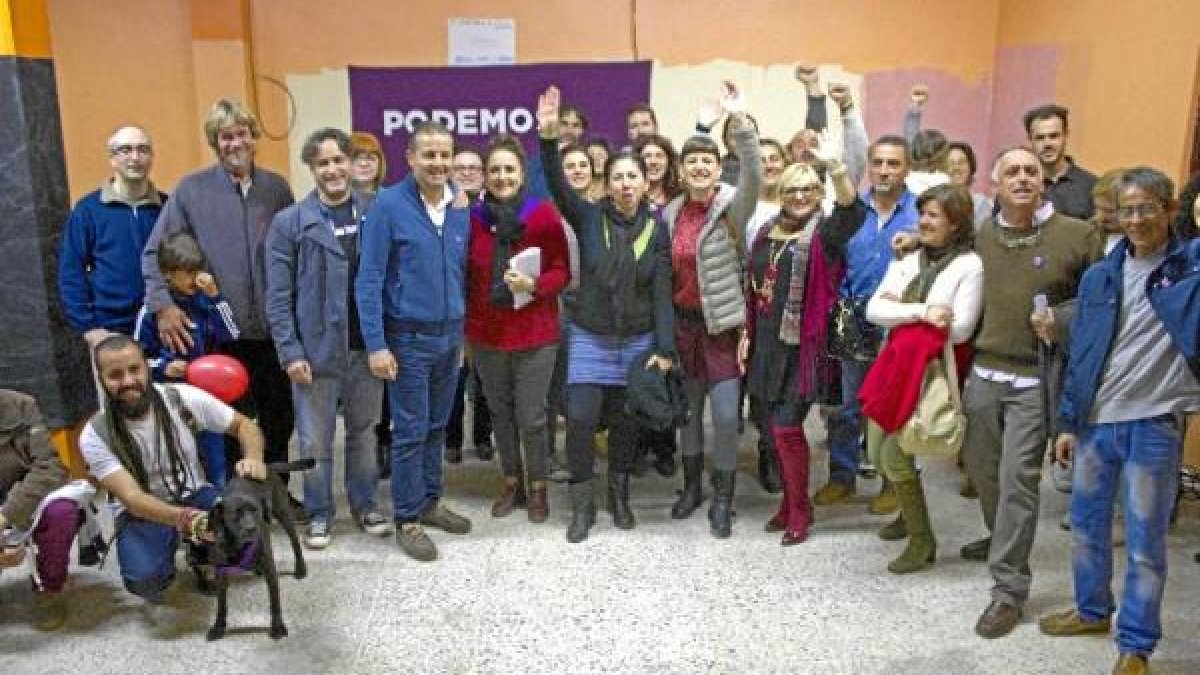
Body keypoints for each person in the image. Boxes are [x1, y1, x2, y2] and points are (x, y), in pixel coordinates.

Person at [1038, 167, 1200, 675]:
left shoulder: (1189, 269)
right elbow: (1082, 355)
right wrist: (1067, 422)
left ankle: (1135, 645)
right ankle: (1091, 611)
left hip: (1153, 424)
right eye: (1126, 209)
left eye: (1147, 208)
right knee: (1086, 527)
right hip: (1094, 424)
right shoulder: (1101, 275)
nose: (1135, 219)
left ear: (1170, 211)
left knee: (1145, 543)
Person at [961, 147, 1104, 639]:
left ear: (1043, 182)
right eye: (1012, 172)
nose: (1022, 178)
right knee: (981, 471)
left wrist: (1060, 321)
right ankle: (1001, 534)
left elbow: (1100, 298)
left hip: (1034, 380)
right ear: (996, 185)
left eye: (1031, 172)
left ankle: (1007, 590)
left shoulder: (1077, 235)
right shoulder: (979, 237)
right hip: (983, 373)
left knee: (1018, 479)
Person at [140, 98, 298, 513]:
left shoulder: (277, 188)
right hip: (219, 335)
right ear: (216, 142)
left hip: (272, 330)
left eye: (241, 134)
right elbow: (153, 252)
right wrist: (162, 306)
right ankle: (238, 501)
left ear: (253, 138)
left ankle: (277, 493)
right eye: (226, 136)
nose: (235, 143)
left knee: (280, 417)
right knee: (229, 422)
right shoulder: (191, 191)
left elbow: (294, 250)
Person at [539, 85, 675, 543]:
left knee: (624, 422)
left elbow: (661, 292)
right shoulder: (587, 215)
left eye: (632, 177)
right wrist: (546, 139)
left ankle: (619, 497)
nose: (624, 185)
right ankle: (582, 505)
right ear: (608, 180)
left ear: (643, 182)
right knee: (579, 418)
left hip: (636, 341)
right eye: (617, 177)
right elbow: (558, 183)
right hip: (589, 337)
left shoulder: (657, 230)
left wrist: (664, 347)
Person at [265, 128, 390, 550]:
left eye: (340, 160)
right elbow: (278, 296)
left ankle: (366, 504)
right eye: (324, 163)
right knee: (315, 440)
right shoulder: (290, 224)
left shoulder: (376, 211)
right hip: (314, 354)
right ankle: (319, 513)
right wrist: (290, 351)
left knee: (364, 431)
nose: (334, 169)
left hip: (366, 347)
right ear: (312, 168)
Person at [356, 121, 473, 562]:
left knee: (438, 426)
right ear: (410, 158)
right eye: (429, 155)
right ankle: (407, 516)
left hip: (449, 336)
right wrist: (376, 344)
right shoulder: (387, 205)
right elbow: (367, 280)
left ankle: (429, 500)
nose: (439, 163)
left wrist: (460, 335)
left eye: (445, 155)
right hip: (407, 338)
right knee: (409, 430)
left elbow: (461, 273)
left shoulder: (459, 206)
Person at [80, 335, 268, 603]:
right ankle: (174, 542)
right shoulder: (95, 435)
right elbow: (133, 500)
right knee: (146, 582)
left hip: (193, 492)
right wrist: (187, 520)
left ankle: (201, 554)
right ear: (101, 379)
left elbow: (244, 426)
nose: (128, 381)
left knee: (247, 534)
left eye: (135, 369)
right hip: (142, 511)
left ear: (147, 367)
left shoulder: (182, 398)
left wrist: (254, 457)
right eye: (115, 375)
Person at [859, 184, 983, 573]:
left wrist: (903, 309)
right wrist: (925, 311)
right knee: (878, 451)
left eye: (933, 215)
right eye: (923, 213)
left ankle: (922, 540)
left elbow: (960, 328)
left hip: (929, 372)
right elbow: (874, 309)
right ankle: (906, 513)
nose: (923, 222)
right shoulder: (910, 257)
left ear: (956, 224)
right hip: (894, 363)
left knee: (896, 455)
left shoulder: (970, 265)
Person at [742, 159, 859, 545]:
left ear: (819, 193)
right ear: (781, 193)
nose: (800, 196)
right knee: (771, 429)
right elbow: (755, 286)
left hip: (804, 350)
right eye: (792, 188)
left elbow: (851, 213)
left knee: (787, 428)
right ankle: (791, 502)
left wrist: (838, 170)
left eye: (808, 188)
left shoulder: (824, 233)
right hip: (765, 345)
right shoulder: (765, 231)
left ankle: (799, 511)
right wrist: (746, 332)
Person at [662, 81, 761, 538]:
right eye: (693, 161)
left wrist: (739, 125)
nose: (700, 167)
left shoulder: (732, 209)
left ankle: (723, 499)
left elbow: (754, 178)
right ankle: (691, 488)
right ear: (681, 171)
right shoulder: (669, 213)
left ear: (719, 168)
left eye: (708, 160)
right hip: (682, 329)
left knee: (724, 416)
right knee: (688, 414)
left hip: (721, 329)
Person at [466, 134, 570, 522]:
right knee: (500, 414)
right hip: (487, 335)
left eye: (509, 169)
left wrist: (534, 286)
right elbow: (467, 278)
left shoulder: (542, 214)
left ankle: (539, 486)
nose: (501, 176)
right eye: (494, 170)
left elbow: (563, 270)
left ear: (522, 173)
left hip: (535, 334)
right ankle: (512, 482)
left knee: (532, 416)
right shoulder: (473, 219)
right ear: (484, 176)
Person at [818, 135, 919, 512]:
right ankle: (841, 477)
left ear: (906, 169)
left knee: (893, 406)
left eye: (893, 163)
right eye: (878, 162)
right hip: (852, 317)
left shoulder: (920, 212)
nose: (884, 171)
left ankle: (893, 481)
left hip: (898, 322)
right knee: (848, 406)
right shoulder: (851, 209)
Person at [134, 232, 239, 489]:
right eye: (187, 273)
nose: (195, 279)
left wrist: (216, 298)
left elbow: (232, 334)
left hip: (207, 395)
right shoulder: (151, 312)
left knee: (216, 462)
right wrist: (163, 366)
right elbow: (136, 361)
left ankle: (218, 506)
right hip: (170, 398)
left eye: (198, 271)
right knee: (179, 458)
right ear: (168, 273)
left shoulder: (206, 301)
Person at [58, 126, 166, 355]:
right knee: (118, 391)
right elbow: (71, 272)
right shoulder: (88, 211)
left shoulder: (168, 208)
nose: (135, 157)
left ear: (152, 157)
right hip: (111, 331)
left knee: (169, 391)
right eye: (125, 150)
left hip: (162, 325)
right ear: (112, 158)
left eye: (143, 150)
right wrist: (90, 328)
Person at [0, 389, 77, 630]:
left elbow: (49, 466)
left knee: (61, 511)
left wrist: (5, 516)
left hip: (25, 497)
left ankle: (49, 588)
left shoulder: (22, 405)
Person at [446, 146, 494, 464]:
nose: (466, 172)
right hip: (452, 307)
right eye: (460, 167)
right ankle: (451, 440)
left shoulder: (496, 208)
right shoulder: (440, 207)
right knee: (455, 378)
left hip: (488, 306)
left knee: (486, 381)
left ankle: (483, 437)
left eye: (473, 167)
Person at [1024, 104, 1097, 220]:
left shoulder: (1092, 186)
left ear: (1066, 135)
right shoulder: (1020, 186)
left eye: (1054, 136)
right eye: (1040, 138)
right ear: (1029, 140)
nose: (1047, 144)